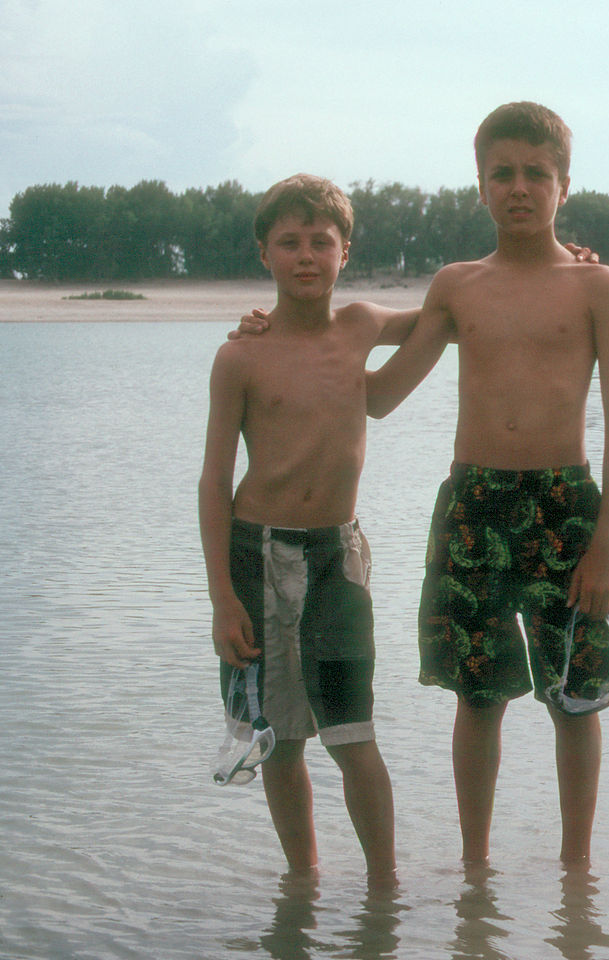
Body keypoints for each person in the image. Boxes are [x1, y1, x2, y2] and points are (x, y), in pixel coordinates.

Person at [365, 101, 609, 867]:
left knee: (574, 699)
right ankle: (475, 872)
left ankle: (576, 873)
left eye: (536, 174)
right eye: (503, 174)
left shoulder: (598, 286)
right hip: (474, 506)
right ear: (480, 186)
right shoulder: (457, 286)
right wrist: (302, 333)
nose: (519, 187)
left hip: (566, 509)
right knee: (477, 696)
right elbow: (380, 397)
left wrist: (607, 545)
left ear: (563, 186)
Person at [199, 173, 417, 884]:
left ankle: (384, 888)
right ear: (263, 253)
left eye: (320, 242)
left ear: (344, 252)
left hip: (336, 557)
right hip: (255, 554)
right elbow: (213, 480)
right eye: (288, 242)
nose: (305, 256)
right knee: (282, 740)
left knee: (353, 735)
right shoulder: (240, 356)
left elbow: (451, 311)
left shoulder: (361, 325)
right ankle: (305, 881)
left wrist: (563, 261)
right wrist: (221, 599)